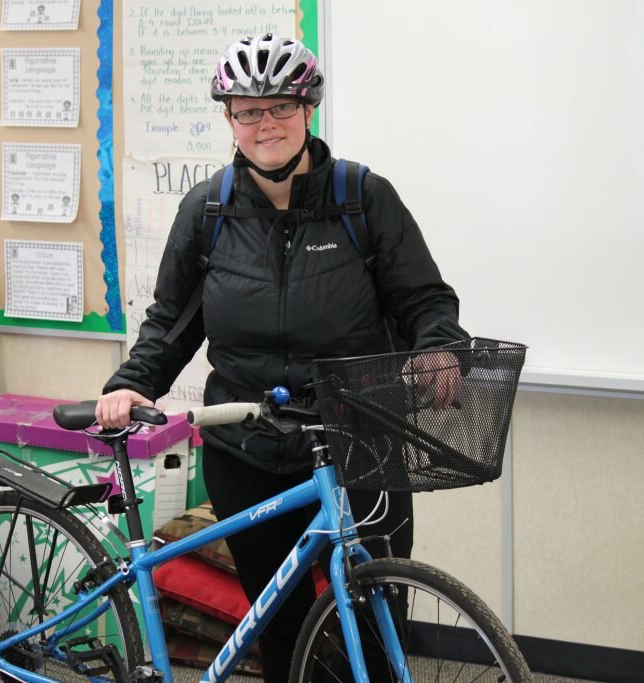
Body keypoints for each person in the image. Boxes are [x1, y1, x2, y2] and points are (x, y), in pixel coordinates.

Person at [97, 33, 467, 681]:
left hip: (362, 444)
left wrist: (438, 346)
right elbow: (170, 326)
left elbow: (425, 301)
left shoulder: (362, 200)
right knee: (281, 626)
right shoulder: (207, 212)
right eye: (248, 109)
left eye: (281, 107)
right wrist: (132, 383)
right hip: (249, 452)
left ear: (308, 110)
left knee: (374, 620)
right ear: (229, 118)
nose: (265, 123)